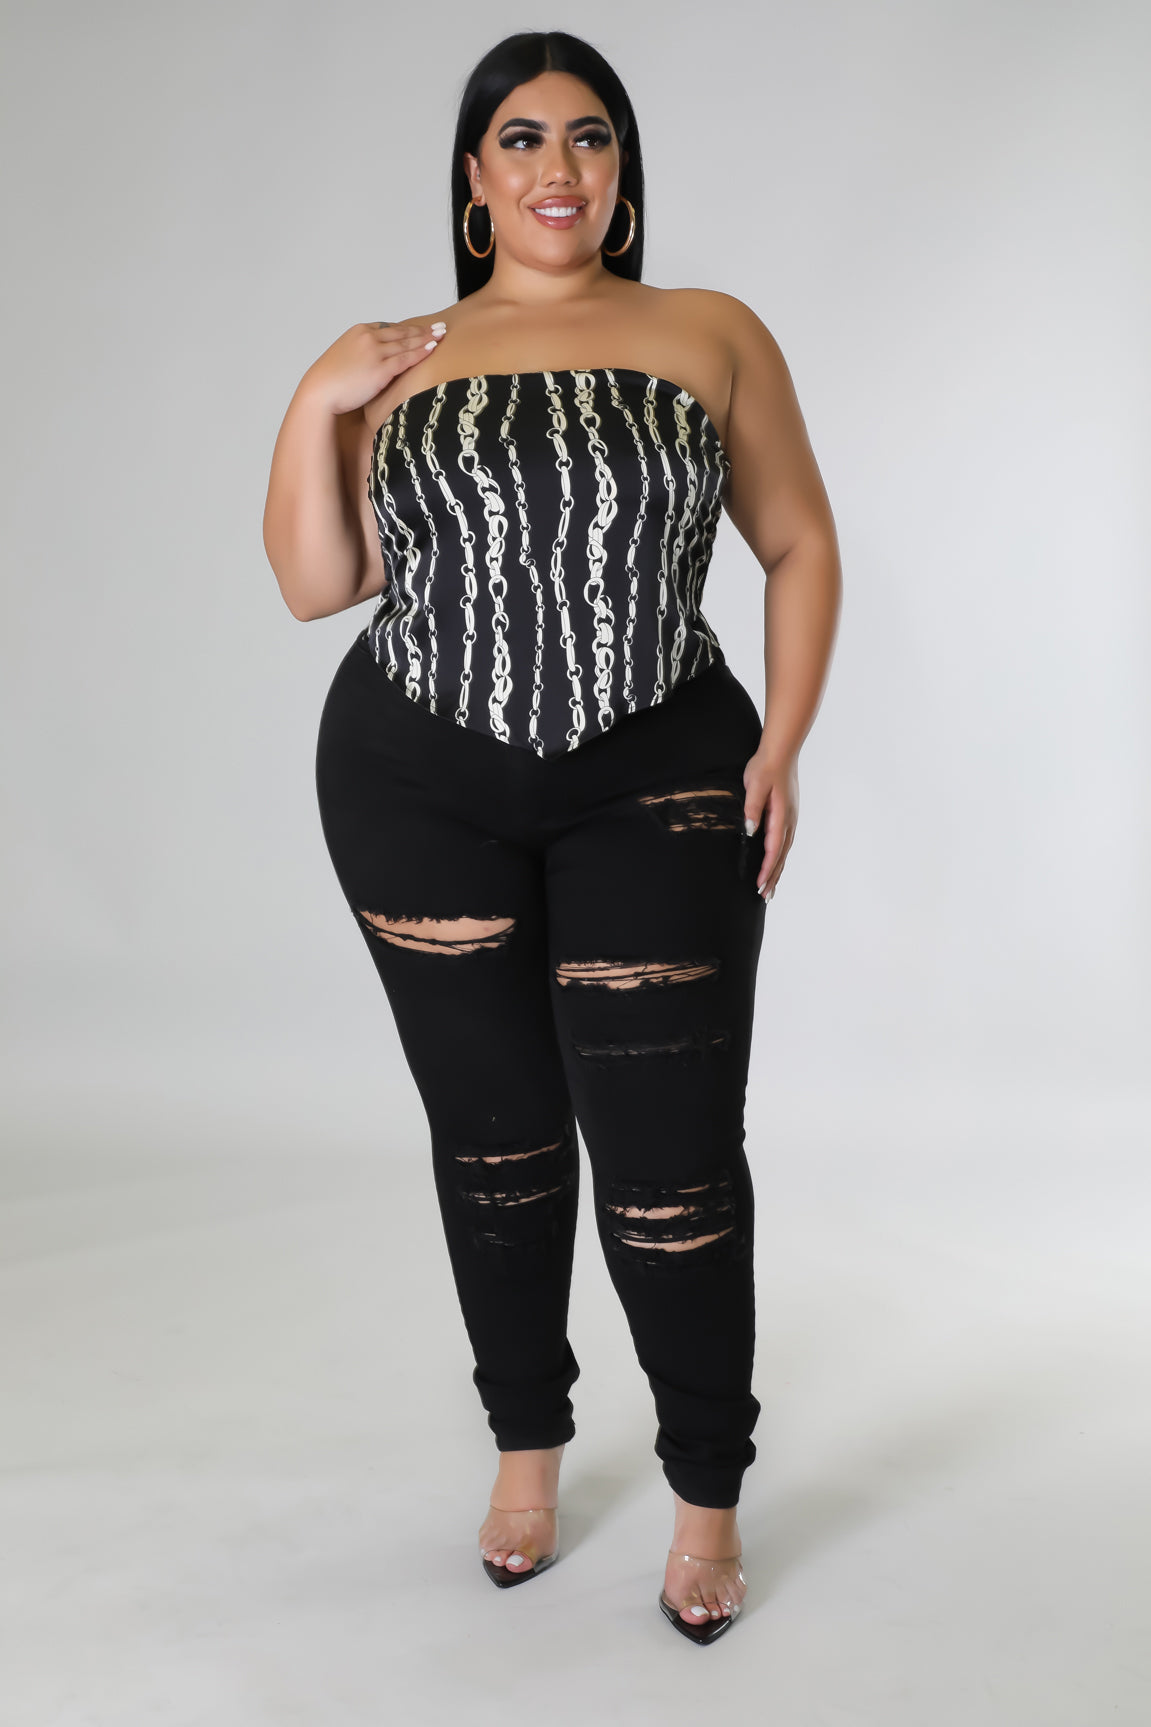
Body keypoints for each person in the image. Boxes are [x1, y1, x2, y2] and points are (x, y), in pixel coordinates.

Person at [263, 29, 840, 1645]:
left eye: (589, 136)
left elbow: (798, 541)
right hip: (415, 783)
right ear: (474, 179)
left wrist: (783, 741)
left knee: (673, 1160)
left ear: (622, 169)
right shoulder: (402, 357)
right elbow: (318, 584)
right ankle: (527, 1451)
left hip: (660, 779)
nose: (558, 167)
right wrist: (318, 390)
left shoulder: (707, 331)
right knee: (496, 1144)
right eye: (521, 139)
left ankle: (708, 1491)